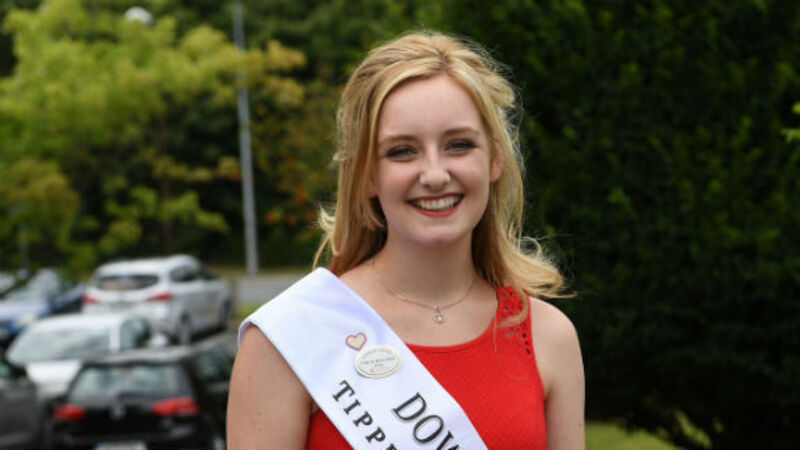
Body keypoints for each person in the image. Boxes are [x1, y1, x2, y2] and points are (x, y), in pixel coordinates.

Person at [227, 30, 584, 449]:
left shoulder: (547, 337)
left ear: (494, 159)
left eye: (458, 145)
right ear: (367, 175)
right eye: (402, 151)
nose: (434, 175)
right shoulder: (289, 339)